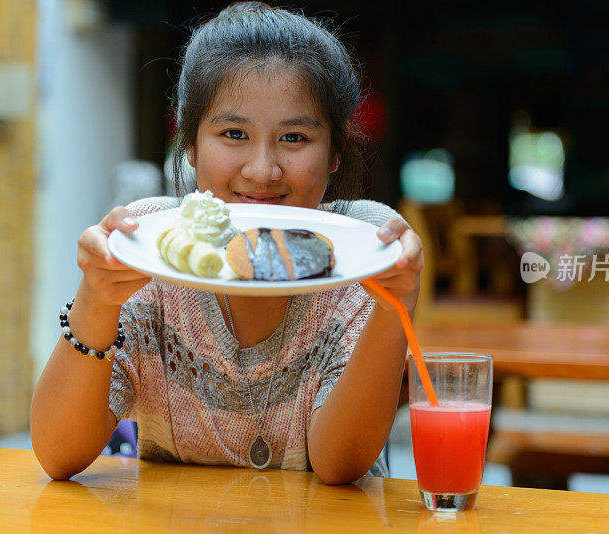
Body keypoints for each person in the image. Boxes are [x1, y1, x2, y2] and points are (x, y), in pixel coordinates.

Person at [30, 1, 422, 485]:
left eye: (295, 138)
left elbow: (338, 465)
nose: (262, 170)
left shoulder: (368, 248)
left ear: (336, 151)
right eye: (234, 133)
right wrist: (96, 298)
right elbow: (57, 454)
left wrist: (392, 309)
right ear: (190, 144)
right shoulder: (153, 241)